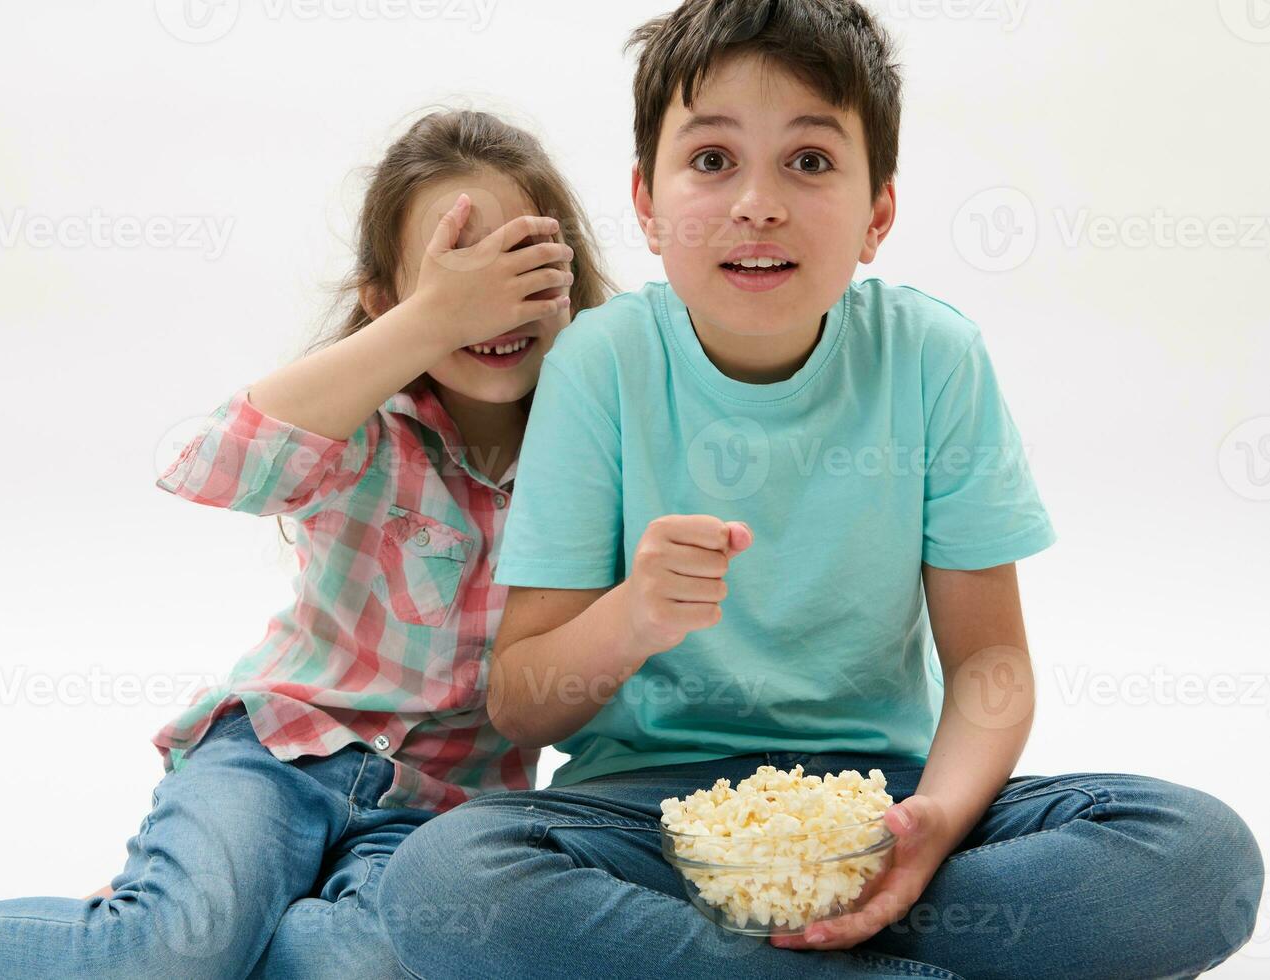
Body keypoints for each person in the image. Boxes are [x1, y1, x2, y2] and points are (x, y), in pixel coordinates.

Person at [373, 4, 1266, 978]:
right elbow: (524, 704)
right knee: (445, 879)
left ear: (878, 211)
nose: (759, 201)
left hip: (883, 805)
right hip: (643, 820)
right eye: (713, 160)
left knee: (1200, 854)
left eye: (808, 161)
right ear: (647, 203)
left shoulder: (933, 358)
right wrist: (632, 614)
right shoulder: (602, 363)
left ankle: (766, 955)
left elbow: (990, 669)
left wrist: (933, 824)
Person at [0, 108, 614, 980]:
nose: (489, 304)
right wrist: (431, 320)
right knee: (160, 950)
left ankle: (214, 948)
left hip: (439, 810)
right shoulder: (371, 431)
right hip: (278, 753)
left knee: (366, 965)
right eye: (455, 277)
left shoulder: (601, 456)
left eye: (521, 267)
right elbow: (217, 462)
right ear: (384, 303)